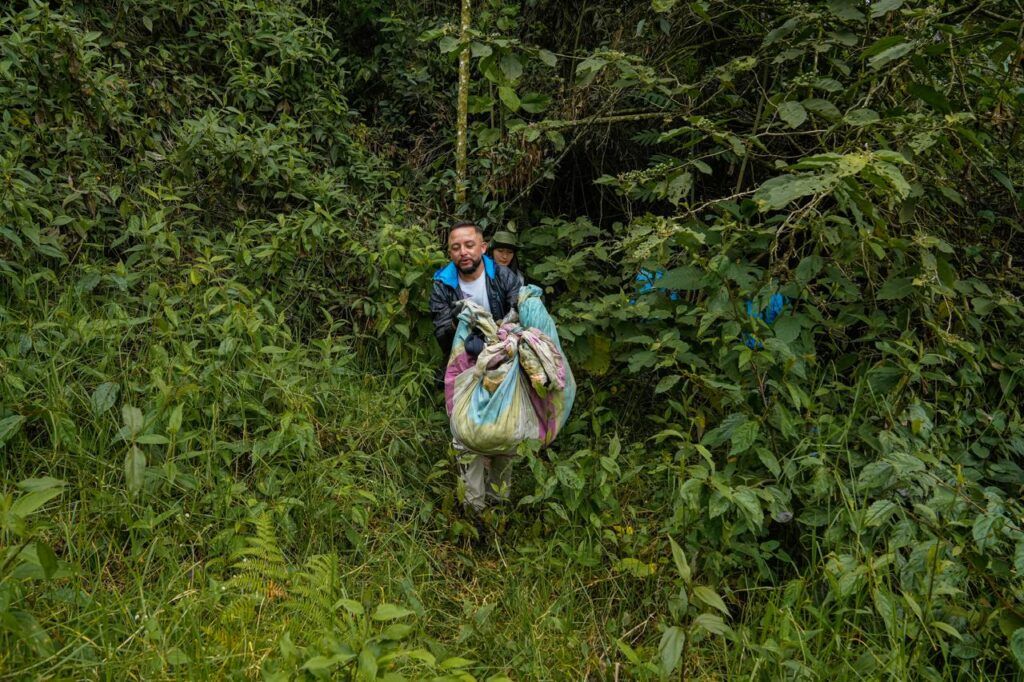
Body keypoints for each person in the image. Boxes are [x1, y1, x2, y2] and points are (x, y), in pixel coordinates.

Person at [429, 221, 522, 517]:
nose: (463, 252)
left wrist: (498, 338)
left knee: (505, 430)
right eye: (455, 247)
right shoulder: (443, 283)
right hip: (465, 368)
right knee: (466, 435)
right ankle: (473, 510)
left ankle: (499, 503)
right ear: (450, 252)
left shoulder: (504, 276)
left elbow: (521, 311)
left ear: (483, 247)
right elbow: (443, 330)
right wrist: (466, 325)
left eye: (469, 245)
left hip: (504, 365)